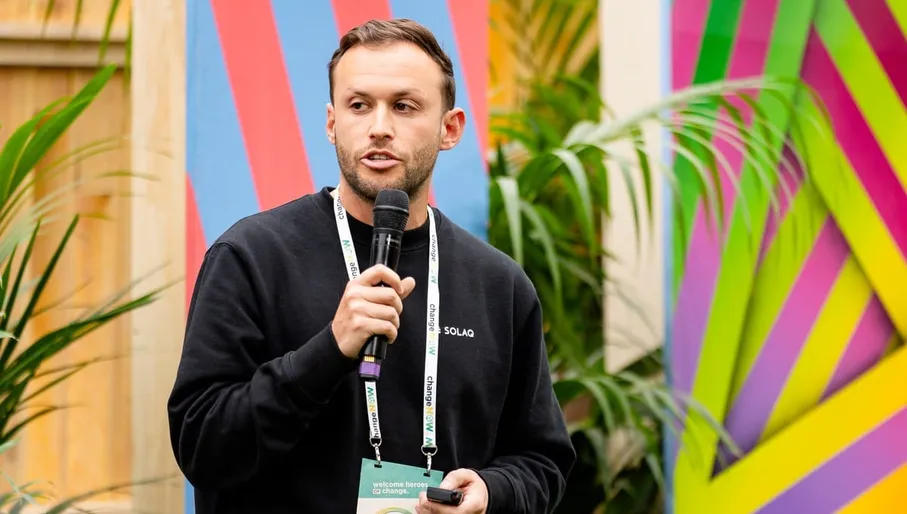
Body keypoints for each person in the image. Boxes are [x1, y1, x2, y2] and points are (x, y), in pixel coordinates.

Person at [167, 18, 575, 514]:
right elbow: (201, 446)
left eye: (404, 106)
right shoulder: (251, 257)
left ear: (449, 129)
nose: (379, 127)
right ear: (332, 123)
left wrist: (493, 492)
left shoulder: (499, 285)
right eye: (359, 105)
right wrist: (329, 350)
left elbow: (542, 460)